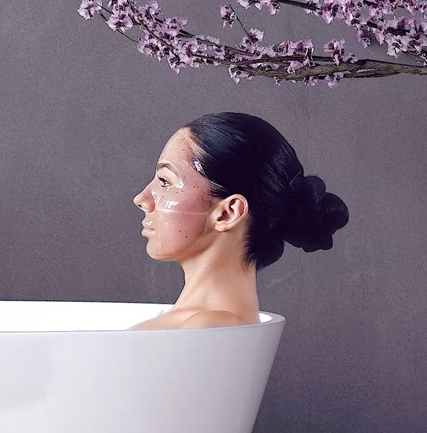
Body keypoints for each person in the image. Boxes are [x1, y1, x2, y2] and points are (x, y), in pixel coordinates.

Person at [130, 112, 349, 330]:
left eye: (165, 182)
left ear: (228, 213)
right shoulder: (200, 324)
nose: (142, 199)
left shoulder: (207, 328)